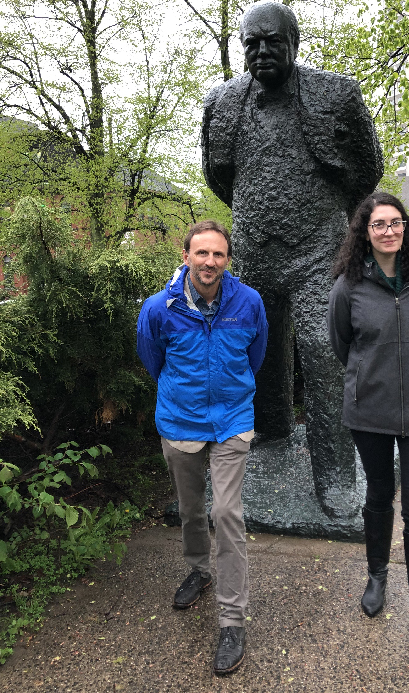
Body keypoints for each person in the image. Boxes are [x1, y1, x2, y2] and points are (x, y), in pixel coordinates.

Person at [202, 0, 383, 518]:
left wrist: (324, 216)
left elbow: (365, 169)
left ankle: (335, 474)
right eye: (250, 43)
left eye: (271, 41)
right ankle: (273, 429)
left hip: (318, 253)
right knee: (258, 348)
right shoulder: (224, 102)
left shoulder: (337, 94)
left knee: (324, 354)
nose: (261, 52)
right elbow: (220, 178)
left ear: (294, 42)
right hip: (256, 250)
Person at [327, 192, 409, 664]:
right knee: (379, 495)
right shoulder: (349, 285)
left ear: (405, 227)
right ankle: (377, 574)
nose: (388, 230)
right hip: (370, 413)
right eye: (379, 224)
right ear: (365, 232)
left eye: (396, 222)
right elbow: (342, 344)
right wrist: (373, 378)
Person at [136, 220, 268, 675]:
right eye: (202, 253)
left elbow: (257, 354)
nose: (210, 262)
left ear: (227, 260)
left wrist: (230, 394)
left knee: (226, 513)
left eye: (219, 255)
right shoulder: (159, 308)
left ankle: (232, 620)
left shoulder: (247, 302)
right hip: (180, 422)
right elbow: (153, 360)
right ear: (186, 255)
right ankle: (198, 568)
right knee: (191, 510)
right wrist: (184, 396)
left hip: (232, 421)